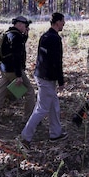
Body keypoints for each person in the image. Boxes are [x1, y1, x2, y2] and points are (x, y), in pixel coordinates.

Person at [0, 16, 36, 131]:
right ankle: (28, 119)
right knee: (29, 92)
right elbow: (16, 56)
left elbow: (18, 47)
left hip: (5, 70)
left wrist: (25, 35)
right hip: (13, 71)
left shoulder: (8, 34)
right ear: (19, 24)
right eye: (25, 25)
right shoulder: (15, 36)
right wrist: (19, 76)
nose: (26, 27)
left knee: (0, 94)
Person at [21, 12, 68, 145]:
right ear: (57, 22)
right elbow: (56, 61)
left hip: (42, 75)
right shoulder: (54, 39)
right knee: (42, 108)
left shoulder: (45, 36)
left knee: (54, 106)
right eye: (63, 21)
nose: (64, 24)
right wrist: (61, 81)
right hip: (46, 78)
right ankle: (25, 136)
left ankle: (56, 133)